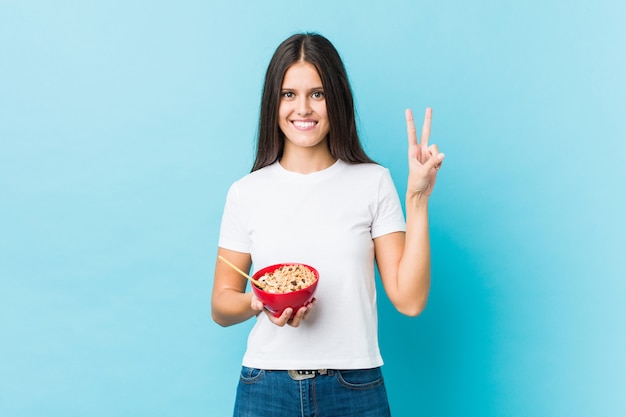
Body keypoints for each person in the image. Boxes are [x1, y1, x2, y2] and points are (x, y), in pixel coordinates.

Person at [211, 32, 444, 417]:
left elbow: (410, 299)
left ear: (336, 100)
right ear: (274, 102)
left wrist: (417, 198)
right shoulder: (245, 192)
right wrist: (260, 302)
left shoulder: (373, 181)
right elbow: (221, 304)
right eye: (289, 94)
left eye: (317, 94)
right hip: (266, 388)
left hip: (354, 387)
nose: (303, 108)